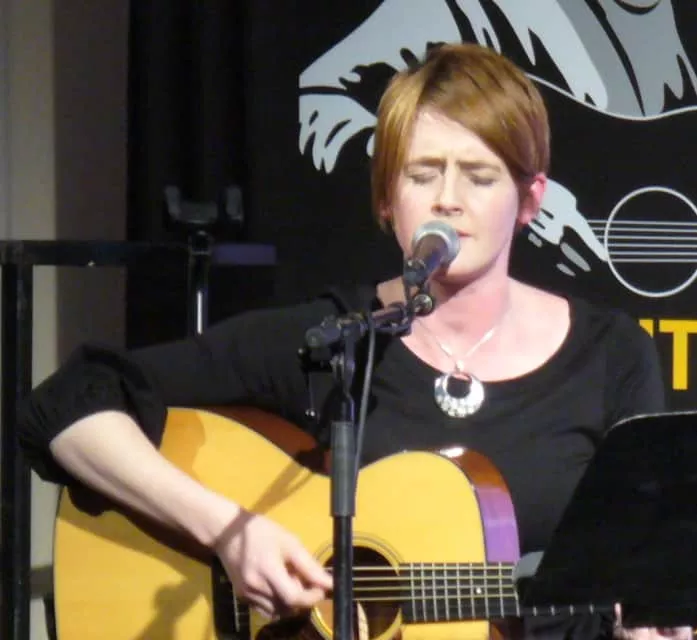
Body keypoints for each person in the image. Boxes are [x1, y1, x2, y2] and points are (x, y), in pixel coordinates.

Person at [18, 43, 691, 639]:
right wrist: (227, 531)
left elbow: (646, 572)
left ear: (530, 200)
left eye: (479, 176)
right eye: (422, 174)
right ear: (386, 198)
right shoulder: (333, 341)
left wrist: (648, 623)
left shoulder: (610, 356)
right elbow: (64, 405)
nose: (447, 199)